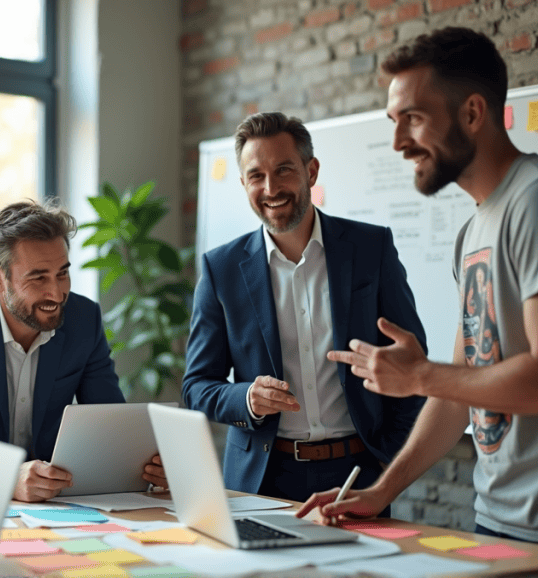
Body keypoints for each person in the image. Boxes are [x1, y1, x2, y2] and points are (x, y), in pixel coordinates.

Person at [297, 27, 538, 575]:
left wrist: (419, 376)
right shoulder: (475, 228)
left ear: (473, 112)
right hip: (498, 518)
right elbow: (459, 385)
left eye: (413, 118)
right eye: (394, 122)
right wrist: (380, 492)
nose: (399, 142)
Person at [183, 112, 427, 504]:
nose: (271, 188)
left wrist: (389, 460)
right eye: (256, 176)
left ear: (310, 171)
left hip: (357, 473)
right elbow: (196, 386)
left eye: (283, 170)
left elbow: (413, 362)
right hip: (261, 478)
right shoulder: (221, 269)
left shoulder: (370, 249)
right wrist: (246, 398)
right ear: (243, 182)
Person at [0, 199, 167, 502]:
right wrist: (5, 478)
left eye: (62, 273)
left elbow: (111, 427)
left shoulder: (83, 319)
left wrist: (150, 465)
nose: (56, 292)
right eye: (38, 277)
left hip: (44, 505)